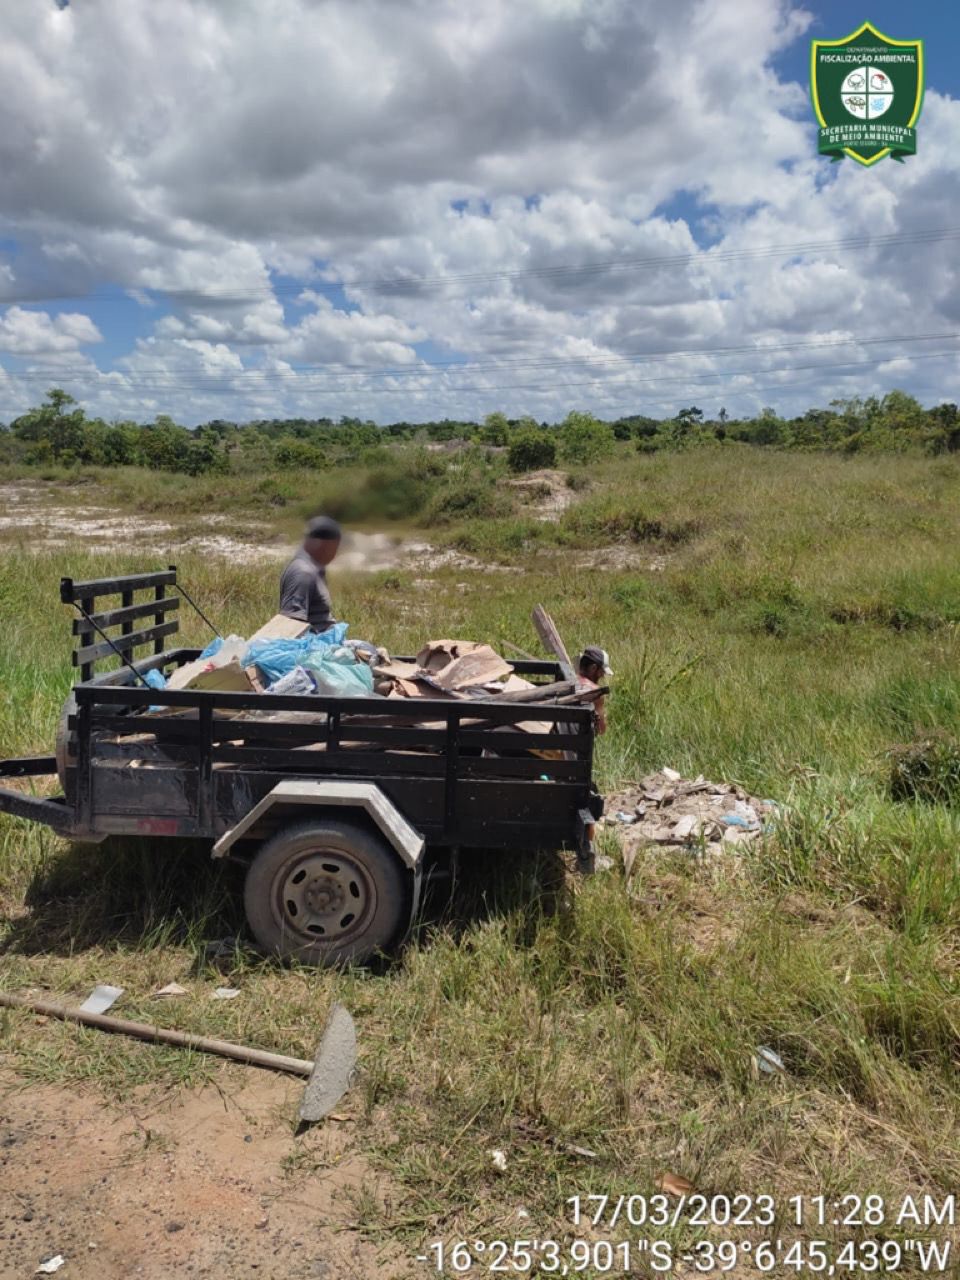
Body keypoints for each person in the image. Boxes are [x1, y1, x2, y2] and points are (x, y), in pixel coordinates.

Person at [278, 515, 342, 633]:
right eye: (334, 549)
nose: (335, 555)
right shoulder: (303, 573)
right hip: (314, 647)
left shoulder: (314, 569)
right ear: (325, 546)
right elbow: (291, 625)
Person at [576, 645, 612, 735]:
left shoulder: (568, 680)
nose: (602, 676)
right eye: (602, 672)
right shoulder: (595, 692)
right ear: (593, 668)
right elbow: (601, 730)